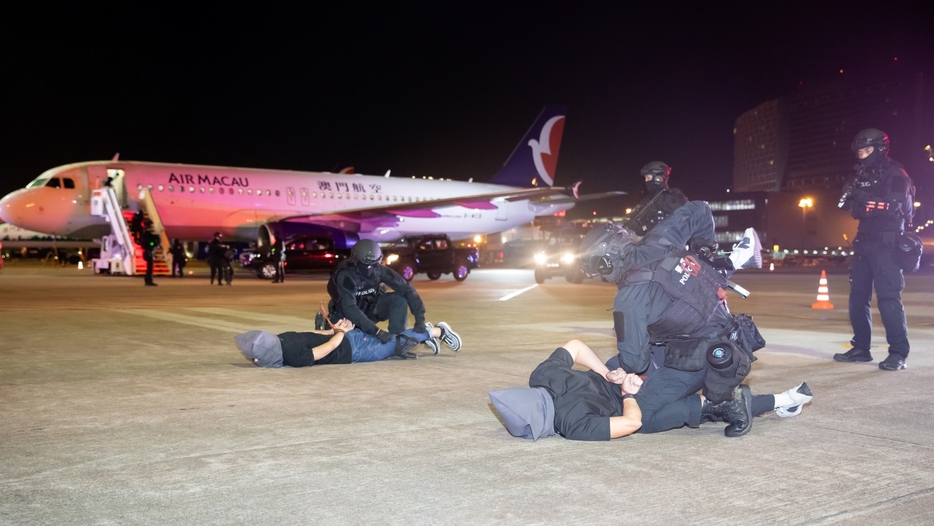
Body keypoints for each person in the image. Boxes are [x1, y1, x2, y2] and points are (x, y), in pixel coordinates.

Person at [488, 339, 812, 441]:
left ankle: (782, 400)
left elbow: (631, 423)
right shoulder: (542, 377)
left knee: (653, 421)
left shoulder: (570, 424)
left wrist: (626, 392)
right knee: (664, 359)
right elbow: (574, 345)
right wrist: (609, 372)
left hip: (636, 398)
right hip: (625, 367)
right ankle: (781, 399)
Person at [834, 129, 916, 371]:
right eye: (859, 151)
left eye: (867, 150)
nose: (862, 155)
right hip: (864, 242)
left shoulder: (896, 173)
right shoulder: (860, 174)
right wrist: (860, 198)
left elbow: (892, 206)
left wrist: (862, 198)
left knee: (889, 299)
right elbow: (844, 204)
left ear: (880, 149)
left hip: (888, 244)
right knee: (857, 298)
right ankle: (861, 348)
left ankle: (898, 353)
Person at [326, 239, 461, 353]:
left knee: (398, 300)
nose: (369, 269)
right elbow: (350, 308)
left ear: (378, 262)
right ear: (355, 261)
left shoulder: (380, 271)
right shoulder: (346, 276)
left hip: (370, 309)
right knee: (342, 348)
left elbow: (407, 290)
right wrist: (376, 332)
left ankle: (399, 343)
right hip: (346, 315)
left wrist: (420, 317)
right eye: (365, 265)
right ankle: (427, 334)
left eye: (373, 265)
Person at [235, 318, 462, 367]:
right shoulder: (283, 338)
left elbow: (329, 348)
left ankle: (437, 331)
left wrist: (341, 332)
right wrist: (337, 330)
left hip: (355, 348)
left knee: (395, 345)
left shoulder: (294, 357)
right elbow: (311, 333)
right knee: (391, 342)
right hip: (349, 339)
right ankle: (424, 333)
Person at [624, 161, 689, 238]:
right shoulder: (648, 199)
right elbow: (645, 230)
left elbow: (687, 219)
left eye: (648, 178)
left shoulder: (673, 195)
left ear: (659, 178)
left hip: (671, 244)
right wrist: (636, 227)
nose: (646, 181)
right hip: (651, 244)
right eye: (645, 178)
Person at [140, 218, 160, 287]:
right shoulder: (147, 232)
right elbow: (149, 240)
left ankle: (148, 279)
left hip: (148, 250)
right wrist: (155, 241)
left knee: (150, 266)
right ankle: (148, 280)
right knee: (150, 266)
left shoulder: (145, 231)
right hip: (148, 250)